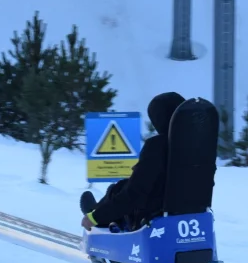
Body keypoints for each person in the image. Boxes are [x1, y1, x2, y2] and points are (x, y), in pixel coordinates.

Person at [80, 92, 186, 232]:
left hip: (153, 216)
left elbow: (135, 194)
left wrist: (97, 217)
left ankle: (96, 212)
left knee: (123, 190)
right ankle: (106, 202)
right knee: (122, 185)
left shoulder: (157, 147)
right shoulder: (200, 148)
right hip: (191, 211)